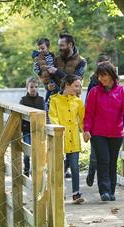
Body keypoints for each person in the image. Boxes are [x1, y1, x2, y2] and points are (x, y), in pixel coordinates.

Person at [83, 62, 124, 201]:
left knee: (112, 162)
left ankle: (111, 191)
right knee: (103, 160)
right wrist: (86, 129)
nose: (101, 79)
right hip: (98, 132)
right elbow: (89, 113)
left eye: (104, 75)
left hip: (116, 132)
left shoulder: (123, 92)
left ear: (111, 75)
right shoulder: (94, 92)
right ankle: (104, 191)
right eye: (99, 76)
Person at [47, 33, 87, 177]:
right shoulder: (55, 59)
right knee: (54, 129)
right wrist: (49, 84)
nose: (59, 48)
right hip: (55, 99)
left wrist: (57, 72)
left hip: (72, 101)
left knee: (70, 130)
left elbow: (76, 79)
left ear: (70, 45)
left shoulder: (82, 62)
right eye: (59, 45)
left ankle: (67, 166)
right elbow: (48, 77)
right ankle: (55, 165)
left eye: (62, 45)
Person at [48, 74, 85, 204]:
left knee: (75, 167)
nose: (79, 88)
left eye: (79, 86)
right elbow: (53, 116)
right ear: (67, 85)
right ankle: (59, 193)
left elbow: (82, 120)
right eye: (76, 85)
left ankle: (76, 194)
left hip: (73, 138)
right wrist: (59, 129)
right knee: (60, 167)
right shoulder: (54, 100)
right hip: (60, 138)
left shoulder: (78, 101)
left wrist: (86, 131)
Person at [85, 54, 111, 187]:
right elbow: (88, 104)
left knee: (108, 157)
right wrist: (87, 127)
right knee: (95, 155)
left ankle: (106, 184)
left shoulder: (114, 83)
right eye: (101, 64)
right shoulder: (93, 83)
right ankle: (91, 173)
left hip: (111, 126)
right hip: (96, 124)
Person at [19, 77, 45, 177]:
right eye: (31, 87)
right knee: (27, 152)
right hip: (27, 130)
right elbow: (19, 115)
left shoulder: (41, 100)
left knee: (38, 152)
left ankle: (36, 172)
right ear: (27, 88)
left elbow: (44, 114)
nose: (34, 89)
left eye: (36, 87)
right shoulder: (23, 100)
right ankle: (26, 170)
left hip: (38, 130)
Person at [32, 38, 57, 103]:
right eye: (39, 49)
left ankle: (49, 102)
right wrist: (41, 73)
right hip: (46, 78)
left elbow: (55, 63)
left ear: (48, 47)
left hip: (54, 76)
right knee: (50, 89)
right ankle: (46, 102)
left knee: (55, 90)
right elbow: (35, 68)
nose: (40, 50)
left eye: (42, 48)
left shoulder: (52, 55)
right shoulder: (38, 58)